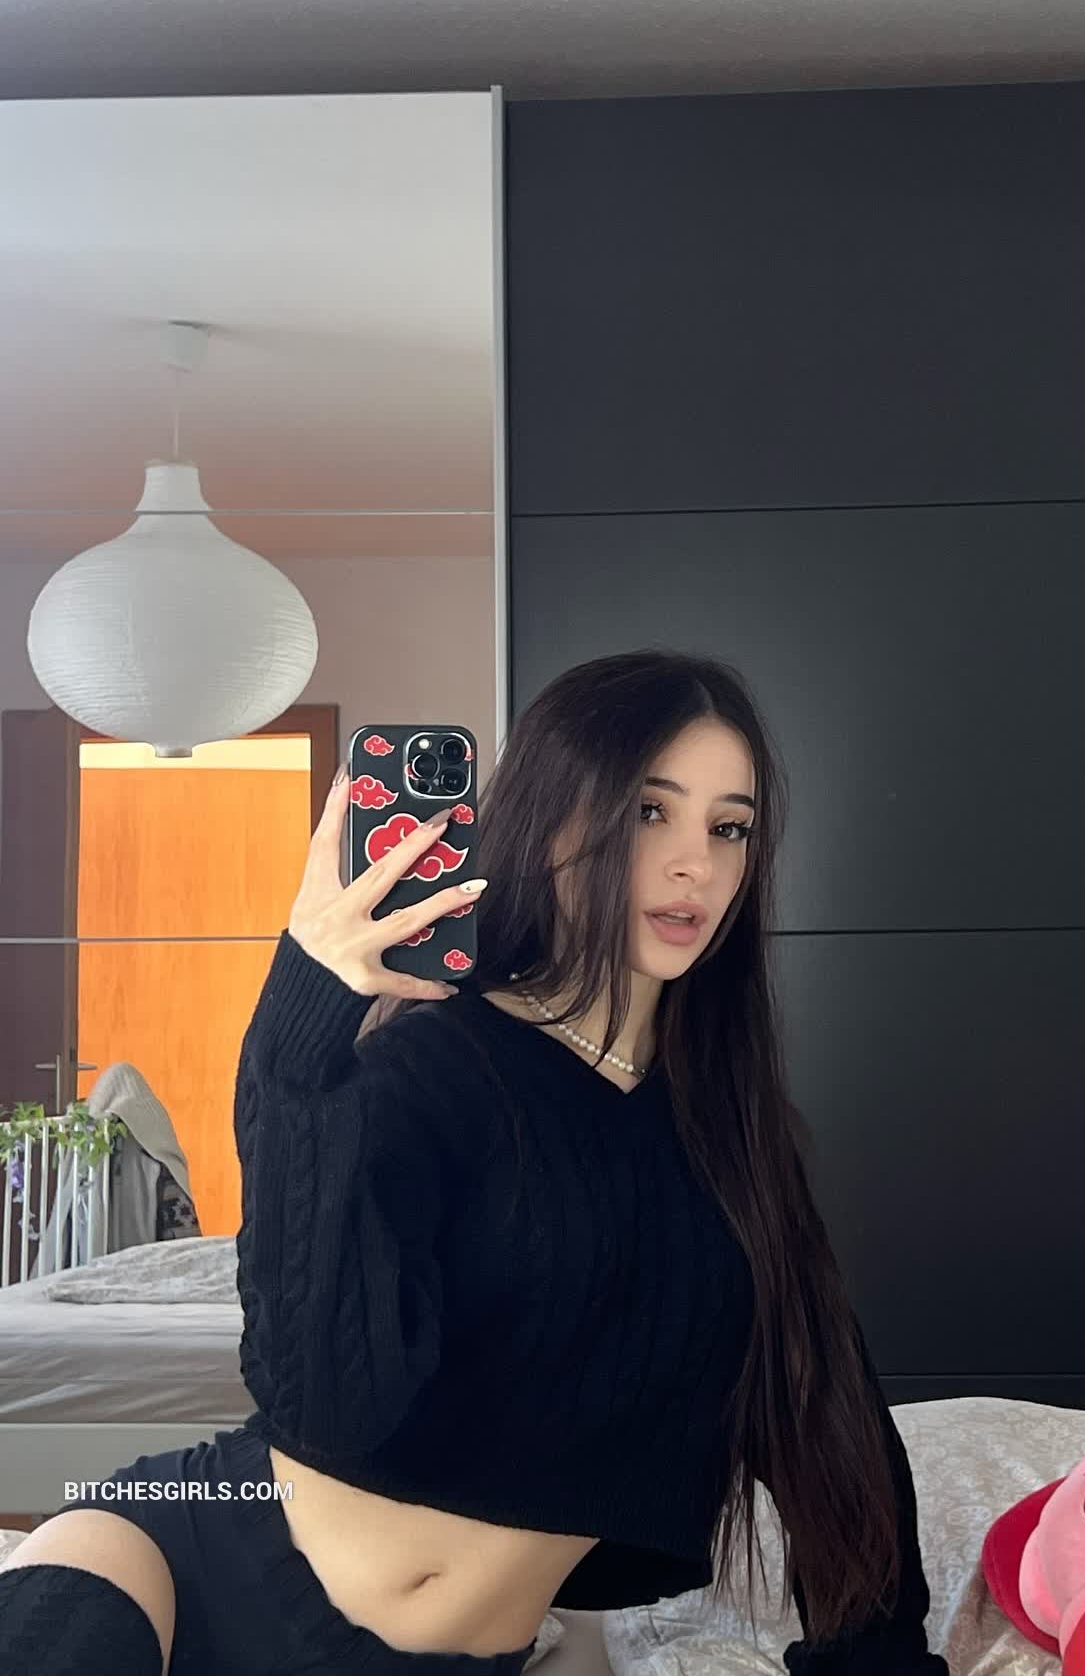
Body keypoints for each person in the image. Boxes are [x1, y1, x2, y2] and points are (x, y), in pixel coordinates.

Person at [0, 649, 949, 1676]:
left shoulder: (735, 1134)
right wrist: (299, 1029)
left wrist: (878, 1658)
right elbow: (324, 1404)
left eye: (730, 827)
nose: (697, 866)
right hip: (180, 1561)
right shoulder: (434, 1064)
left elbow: (827, 1417)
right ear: (550, 822)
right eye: (648, 812)